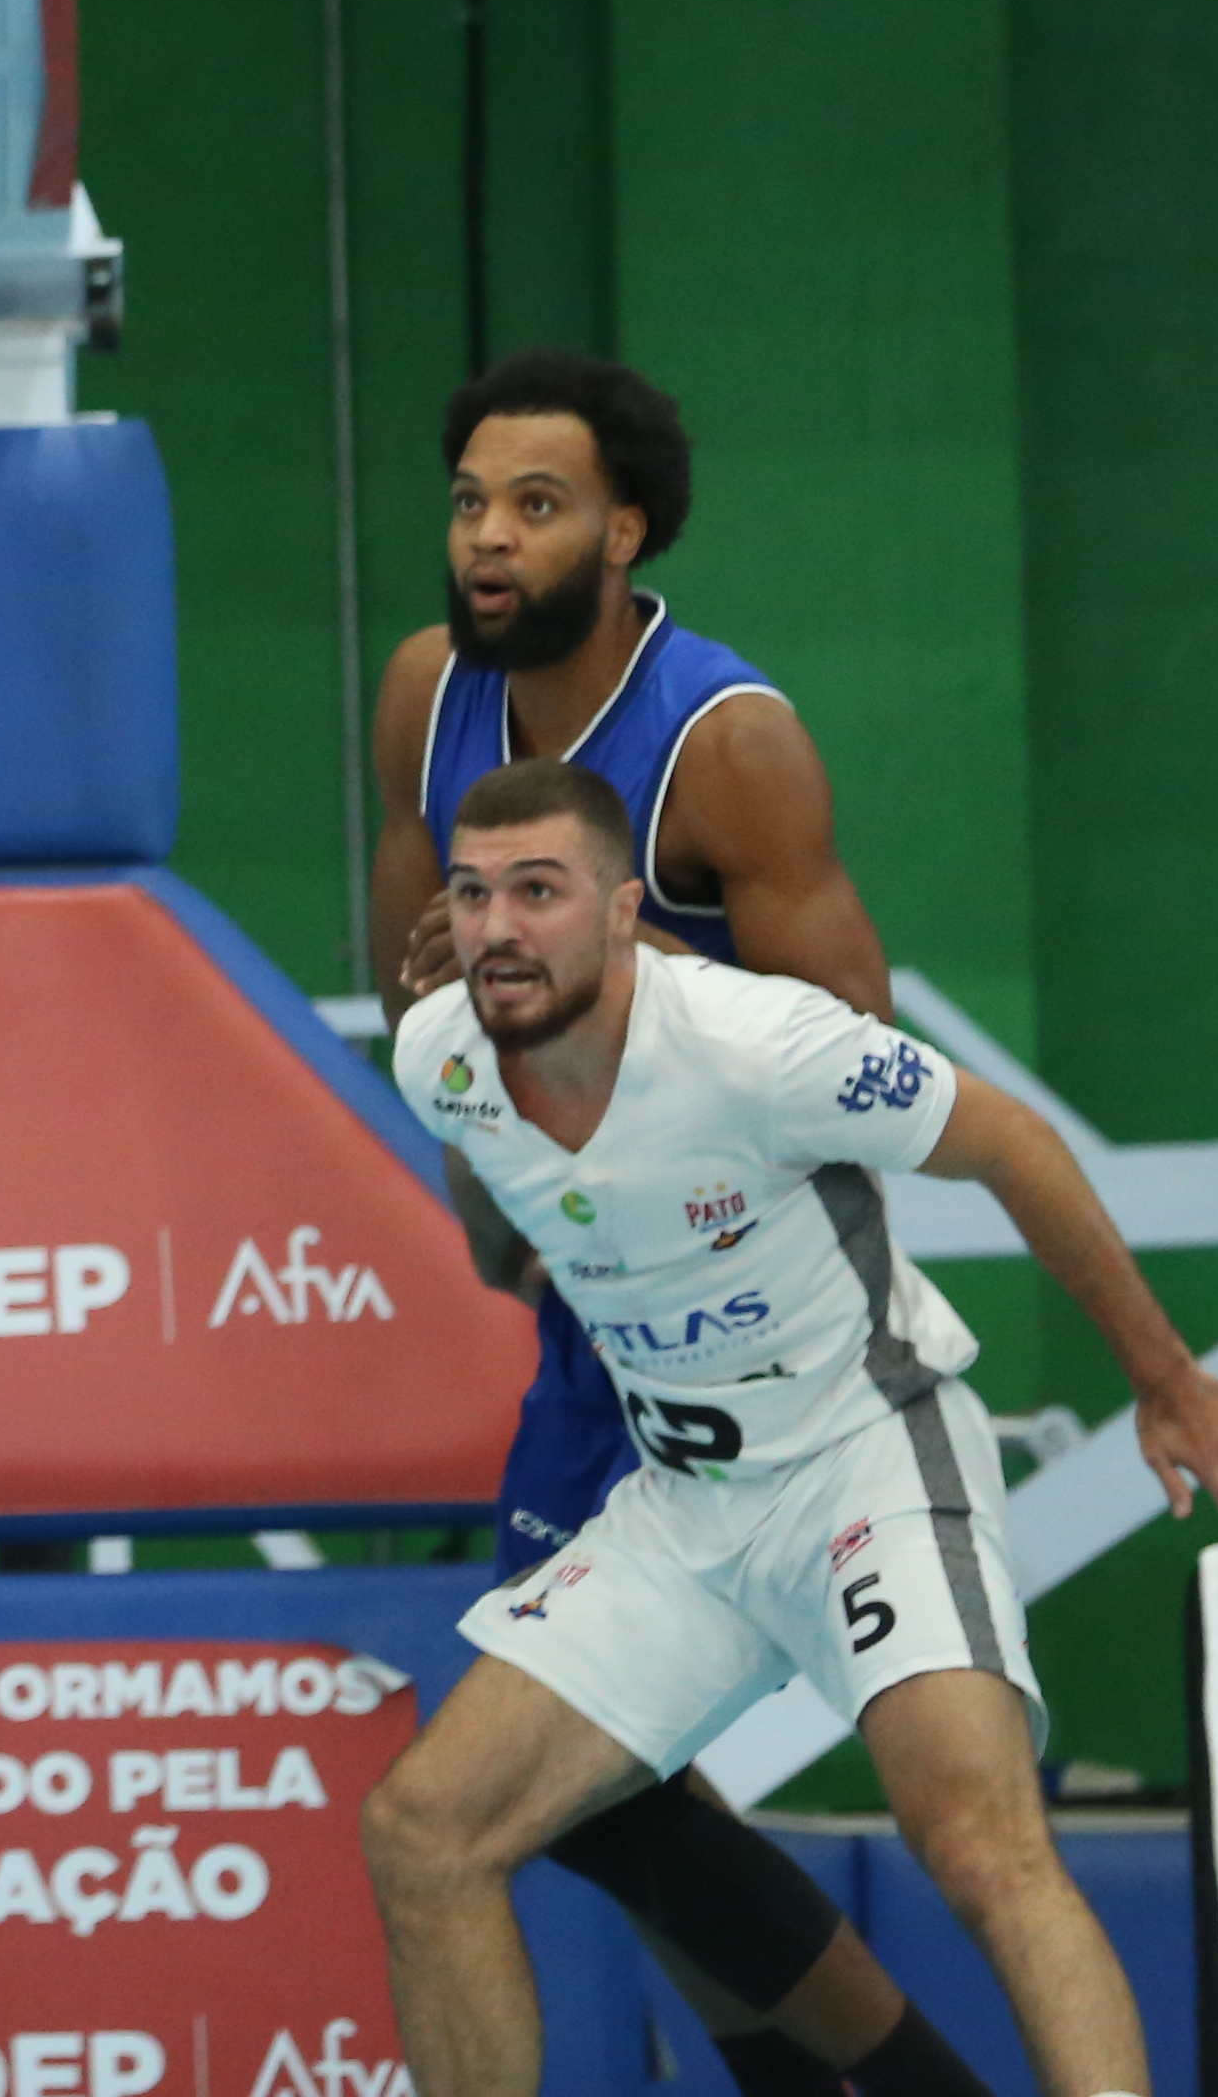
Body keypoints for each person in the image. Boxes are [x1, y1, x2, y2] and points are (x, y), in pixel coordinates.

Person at [365, 760, 1218, 2097]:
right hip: (683, 1506)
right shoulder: (441, 1057)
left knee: (977, 1843)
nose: (500, 927)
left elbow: (1013, 1144)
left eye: (540, 892)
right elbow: (508, 1200)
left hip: (867, 1457)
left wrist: (1167, 1379)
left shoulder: (761, 1046)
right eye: (474, 892)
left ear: (625, 913)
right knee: (424, 1831)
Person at [368, 350, 984, 2097]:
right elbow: (411, 970)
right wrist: (491, 1213)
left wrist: (626, 985)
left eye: (535, 504)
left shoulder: (728, 740)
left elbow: (861, 1054)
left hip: (751, 1298)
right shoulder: (427, 694)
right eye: (470, 500)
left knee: (561, 1793)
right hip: (586, 1290)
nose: (487, 537)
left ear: (625, 531)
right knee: (595, 1788)